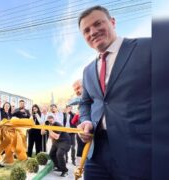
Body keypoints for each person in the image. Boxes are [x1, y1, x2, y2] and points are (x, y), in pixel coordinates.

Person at [77, 6, 151, 180]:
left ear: (112, 22)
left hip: (141, 153)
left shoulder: (149, 47)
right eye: (86, 30)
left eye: (98, 24)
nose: (93, 32)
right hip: (96, 153)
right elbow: (85, 103)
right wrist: (86, 120)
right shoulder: (87, 70)